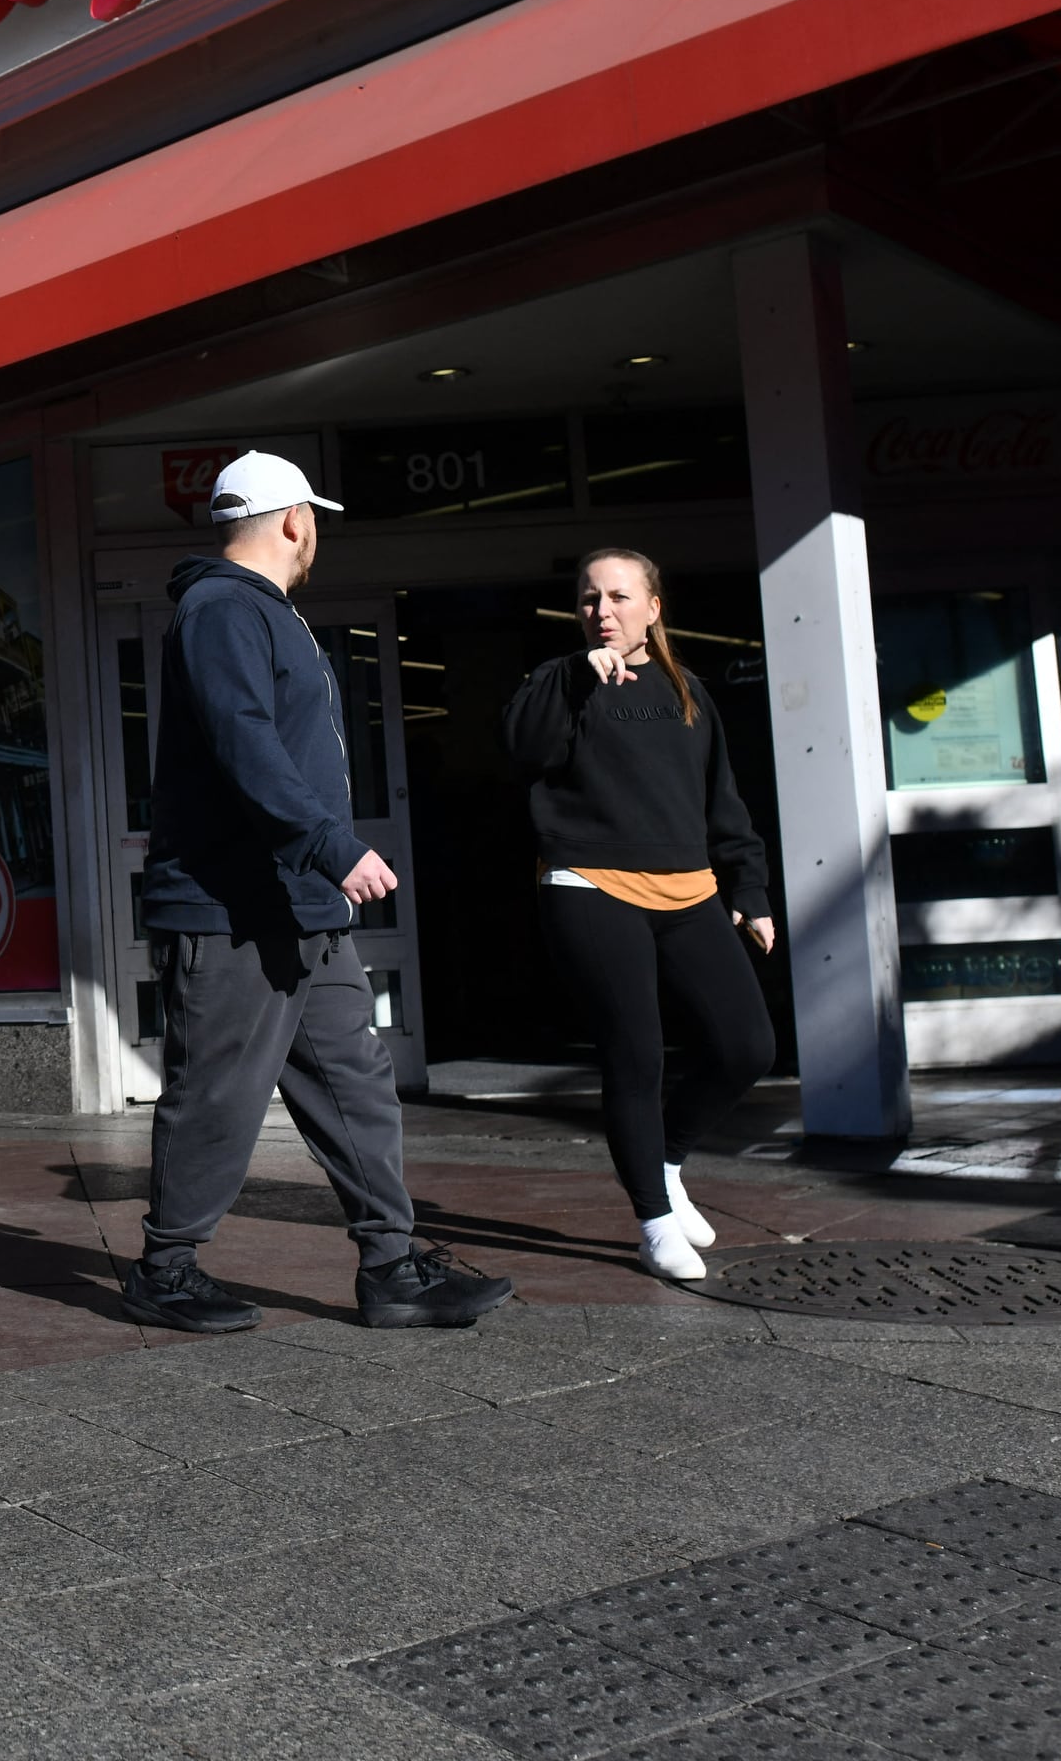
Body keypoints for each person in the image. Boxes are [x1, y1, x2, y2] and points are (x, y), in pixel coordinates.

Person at [131, 451, 513, 1334]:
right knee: (219, 1094)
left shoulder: (259, 612)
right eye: (316, 522)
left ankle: (392, 1268)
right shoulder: (222, 607)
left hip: (302, 910)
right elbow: (243, 742)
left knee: (357, 1084)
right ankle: (166, 1268)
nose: (317, 537)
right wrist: (329, 845)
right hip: (232, 912)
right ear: (295, 520)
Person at [502, 547, 778, 1284]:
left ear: (653, 607)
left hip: (689, 889)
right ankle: (653, 1222)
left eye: (620, 596)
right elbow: (521, 749)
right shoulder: (557, 681)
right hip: (589, 884)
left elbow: (722, 800)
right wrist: (570, 680)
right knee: (636, 1053)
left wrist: (748, 889)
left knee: (747, 1045)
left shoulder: (689, 691)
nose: (603, 611)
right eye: (590, 599)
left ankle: (664, 1159)